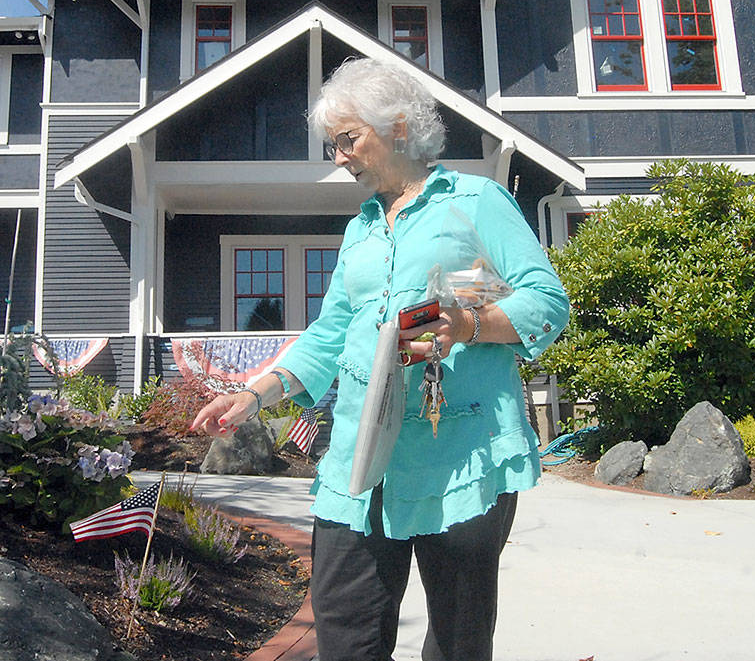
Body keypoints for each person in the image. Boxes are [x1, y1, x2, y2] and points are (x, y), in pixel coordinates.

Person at [191, 57, 568, 661]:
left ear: (397, 127)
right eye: (332, 144)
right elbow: (332, 331)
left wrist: (469, 322)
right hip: (359, 456)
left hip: (459, 455)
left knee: (457, 643)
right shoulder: (360, 230)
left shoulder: (476, 203)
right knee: (345, 634)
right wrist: (258, 392)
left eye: (348, 139)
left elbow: (546, 301)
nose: (338, 156)